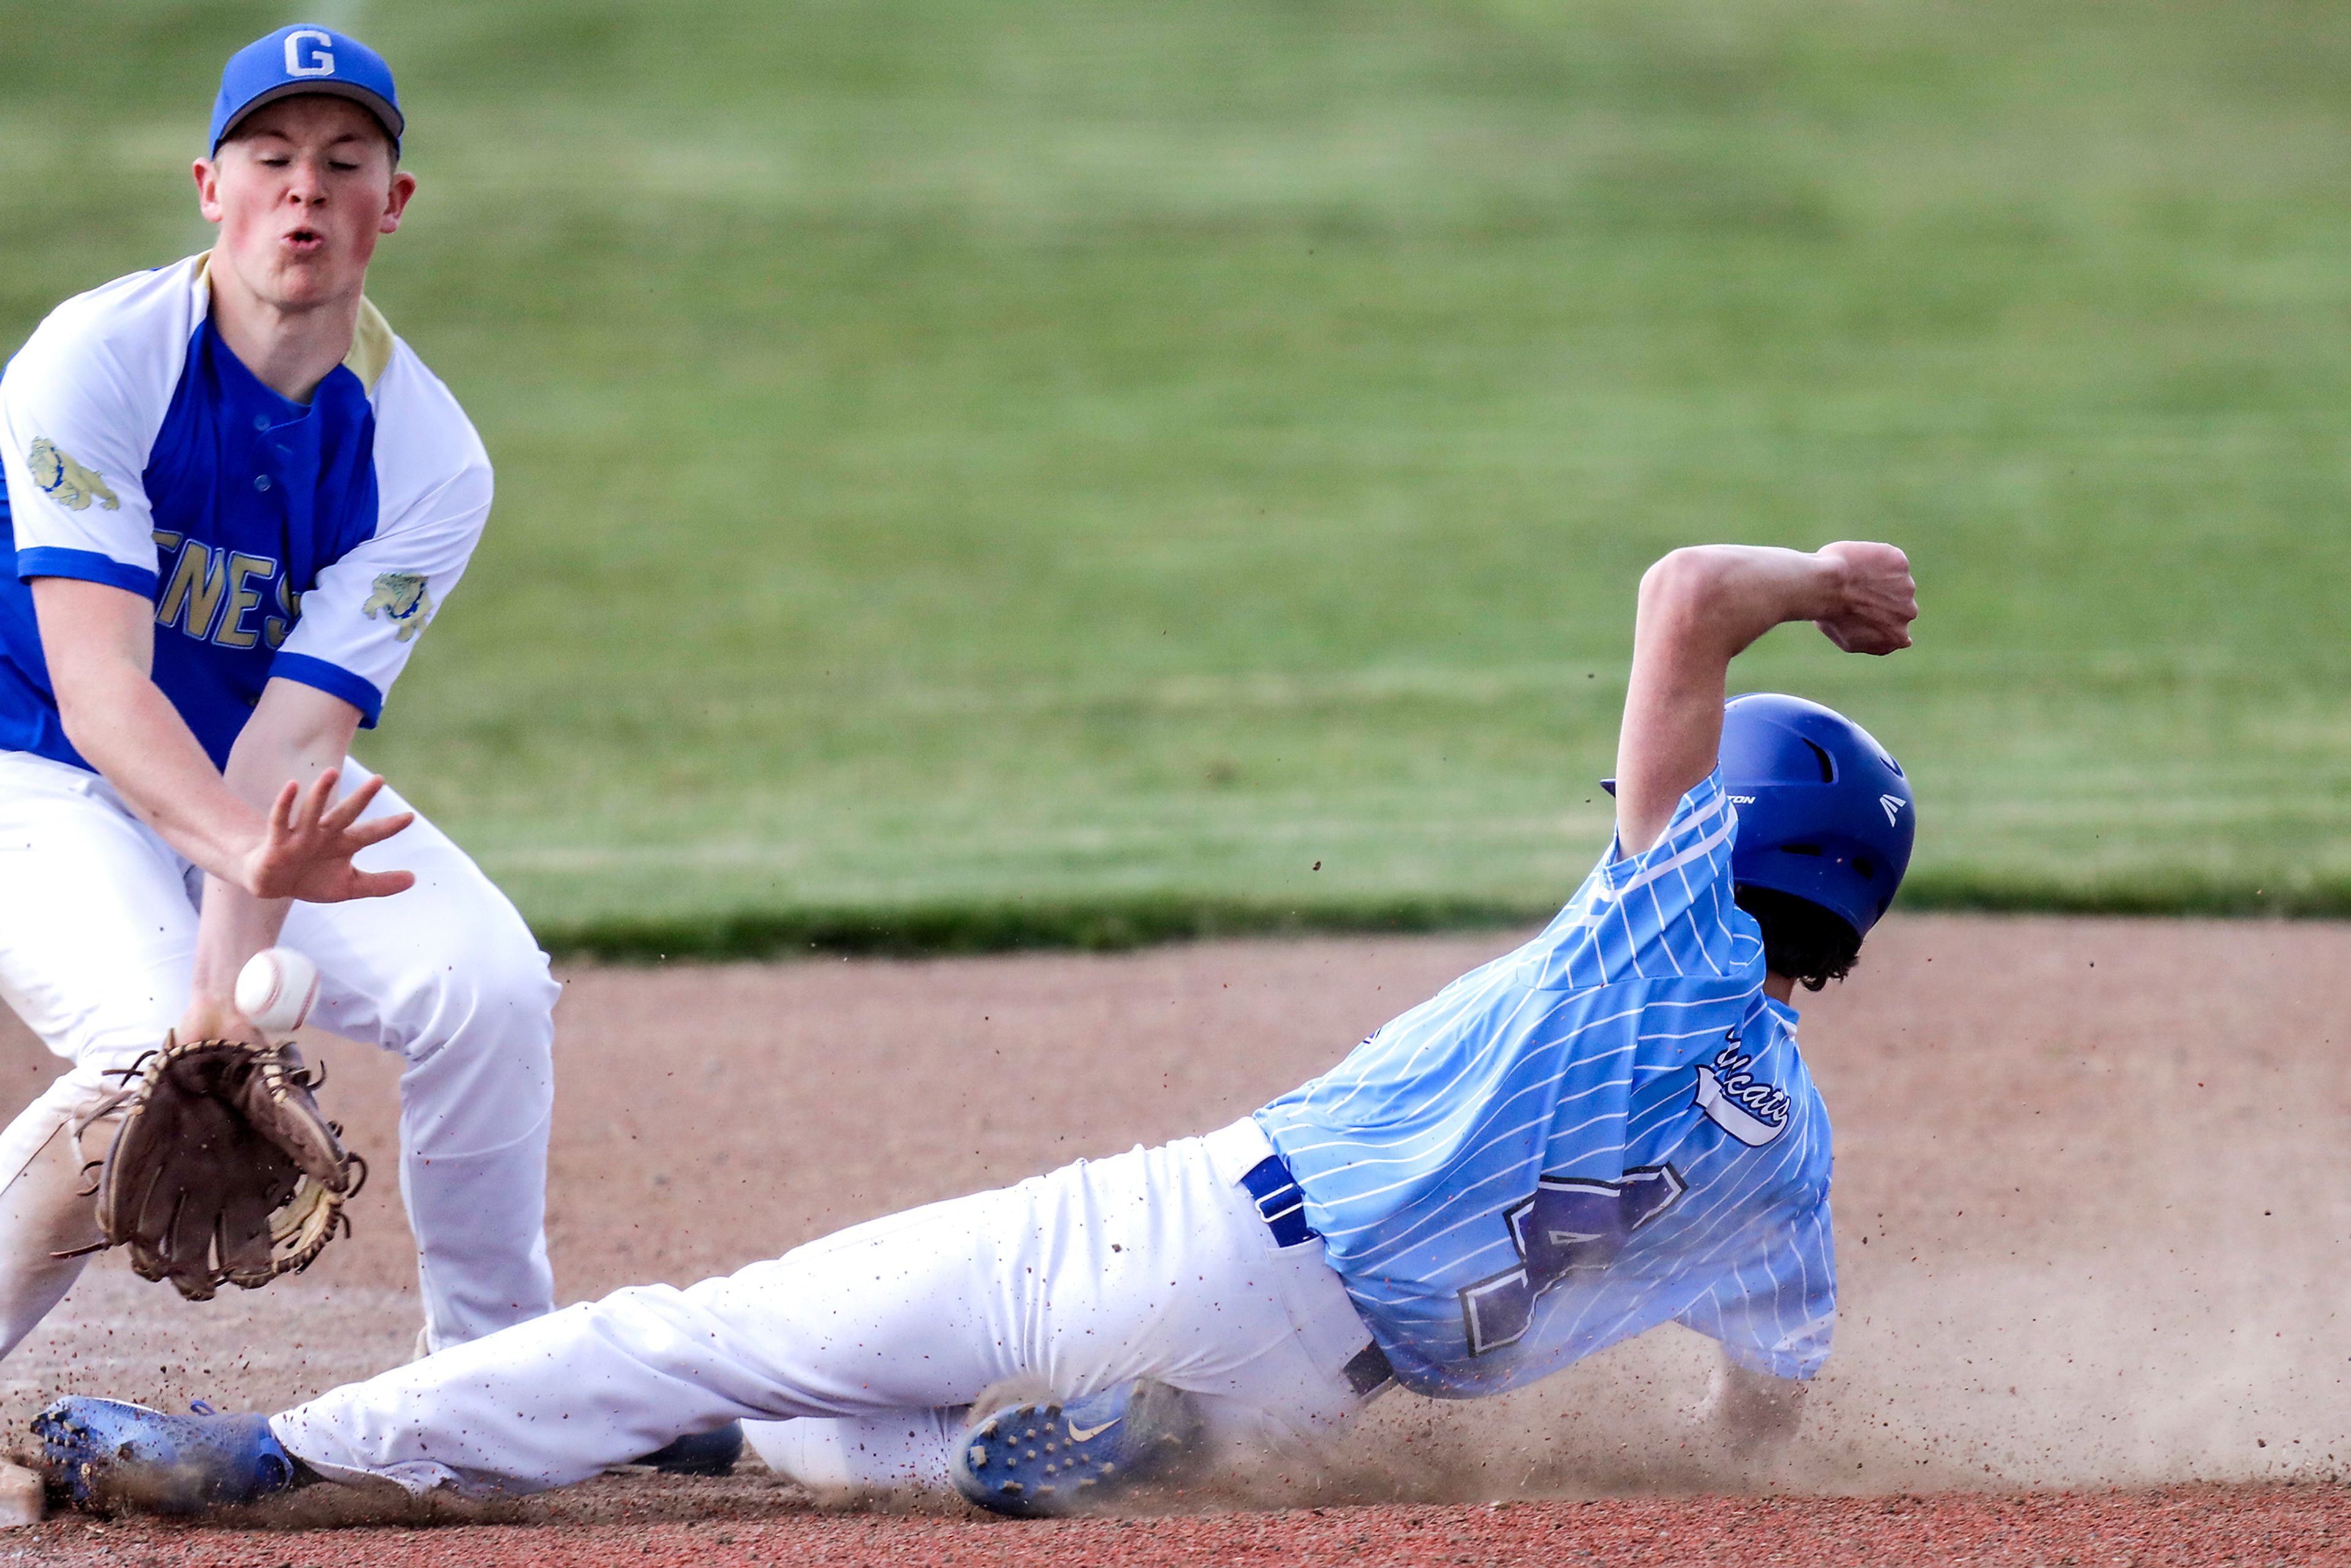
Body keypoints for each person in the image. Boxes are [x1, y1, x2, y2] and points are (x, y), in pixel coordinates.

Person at [33, 541, 1918, 1517]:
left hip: (1188, 1236)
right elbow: (1767, 1412)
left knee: (690, 1336)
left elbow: (1686, 598)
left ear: (1732, 825)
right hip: (1297, 1406)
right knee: (835, 1416)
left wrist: (1820, 587)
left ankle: (276, 1459)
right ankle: (950, 1469)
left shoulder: (1659, 924)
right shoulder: (1792, 1165)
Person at [0, 27, 568, 1375]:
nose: (303, 189)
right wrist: (208, 980)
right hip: (28, 753)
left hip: (243, 785)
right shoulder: (97, 360)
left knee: (487, 991)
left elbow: (291, 738)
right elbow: (97, 690)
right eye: (271, 156)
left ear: (393, 202)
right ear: (212, 186)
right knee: (147, 1055)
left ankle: (507, 1381)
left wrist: (228, 986)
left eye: (343, 159)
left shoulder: (429, 457)